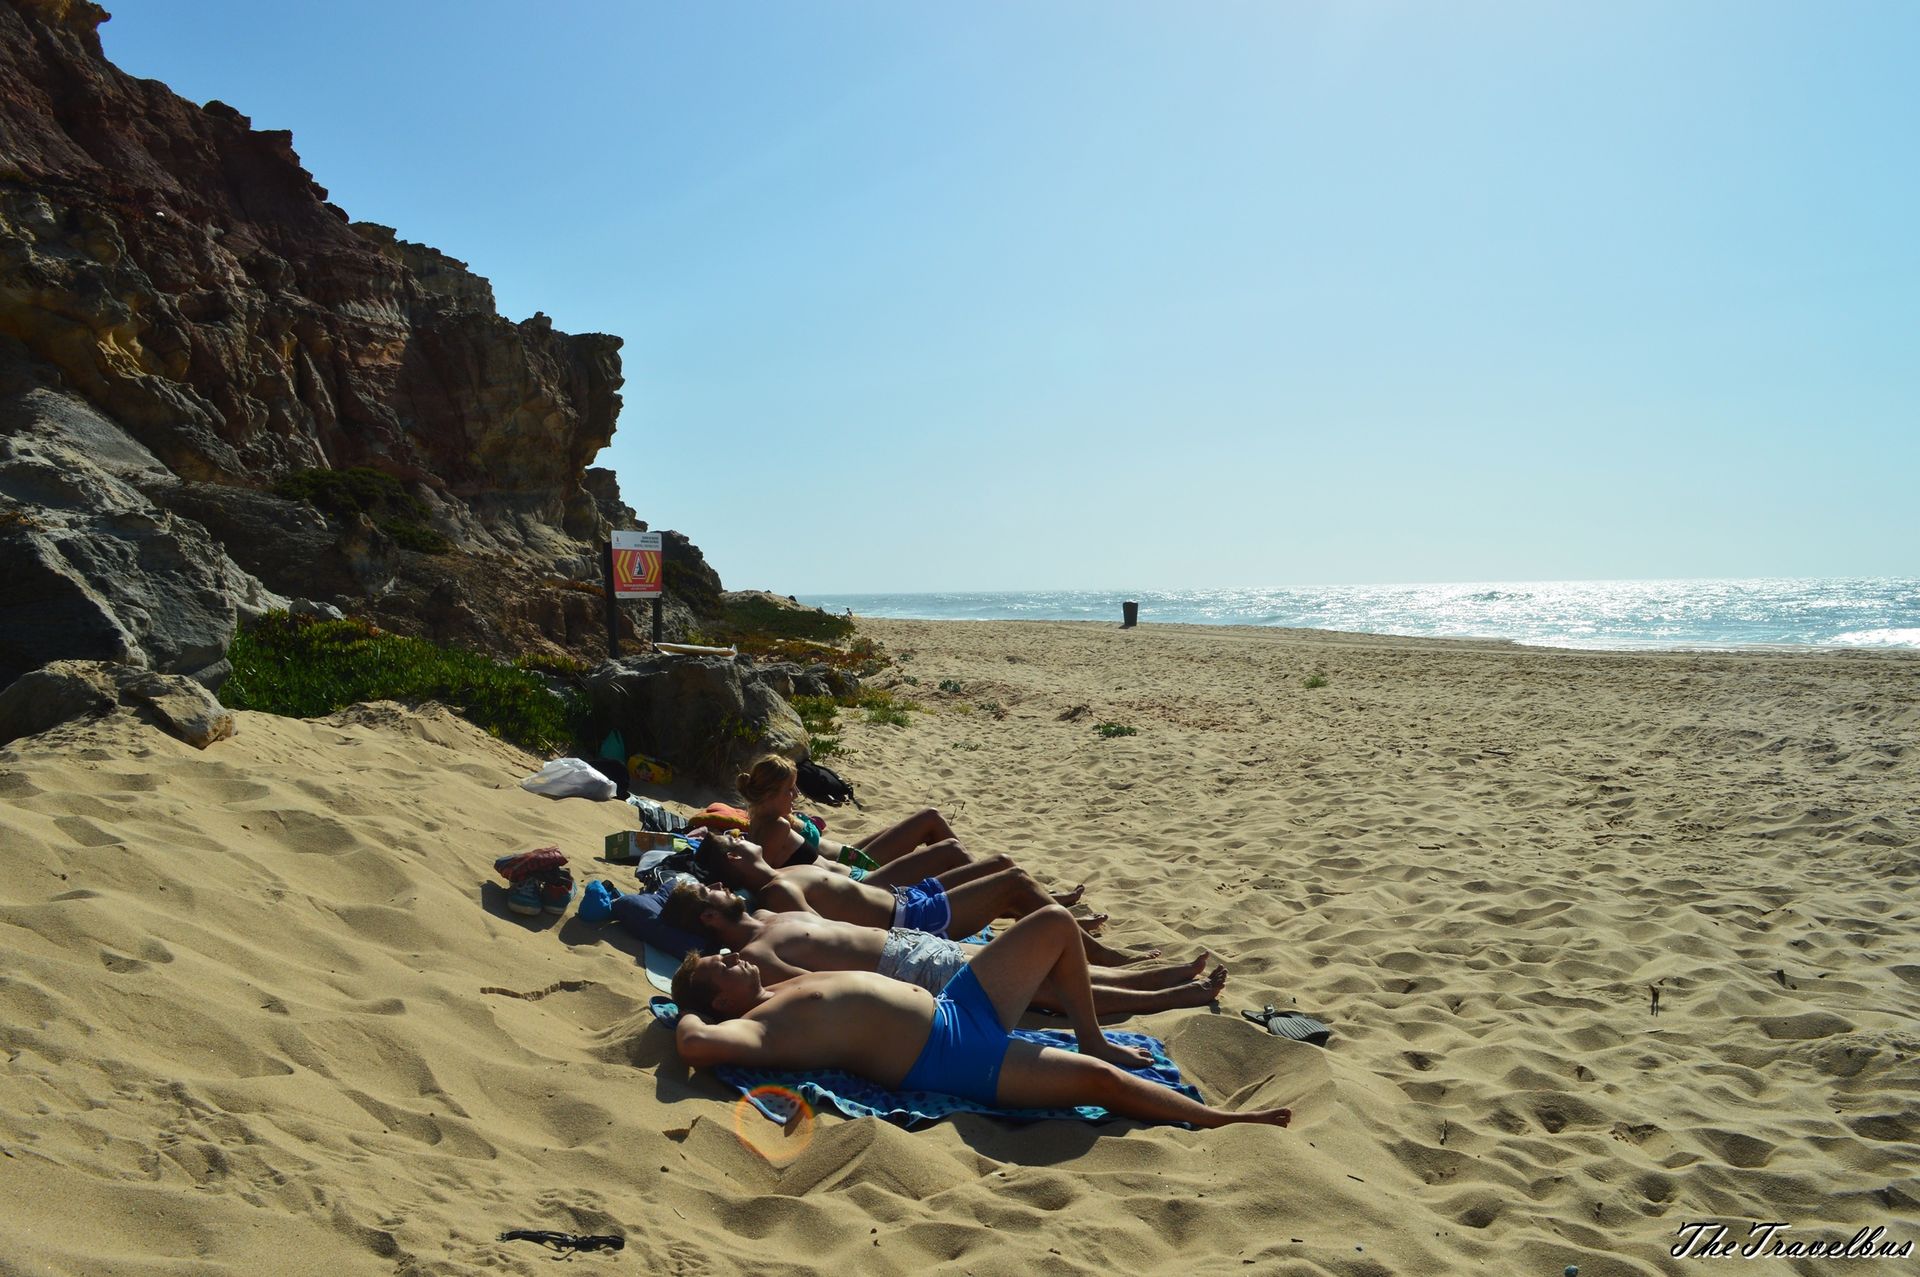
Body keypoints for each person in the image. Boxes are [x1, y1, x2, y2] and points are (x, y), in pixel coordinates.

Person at [671, 904, 1291, 1129]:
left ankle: (1093, 1035)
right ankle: (1220, 1119)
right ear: (720, 1001)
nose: (733, 956)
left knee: (1053, 924)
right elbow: (695, 1043)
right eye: (720, 965)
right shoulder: (752, 1027)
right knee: (1097, 1087)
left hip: (957, 1005)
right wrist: (682, 1011)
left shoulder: (779, 987)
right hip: (952, 1057)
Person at [659, 879, 1226, 1015]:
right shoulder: (754, 957)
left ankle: (1165, 981)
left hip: (910, 943)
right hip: (909, 968)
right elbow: (802, 987)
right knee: (1048, 988)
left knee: (1050, 974)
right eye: (714, 893)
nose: (726, 890)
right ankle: (1173, 994)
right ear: (710, 917)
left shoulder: (770, 914)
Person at [694, 832, 1152, 965]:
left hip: (912, 898)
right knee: (1011, 881)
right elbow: (830, 937)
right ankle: (1104, 958)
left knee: (1000, 865)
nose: (742, 834)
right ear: (735, 856)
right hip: (914, 921)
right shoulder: (775, 892)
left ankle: (1054, 920)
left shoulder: (780, 873)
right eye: (732, 837)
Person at [738, 754, 964, 872]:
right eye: (789, 789)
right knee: (930, 819)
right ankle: (975, 873)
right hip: (853, 865)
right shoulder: (775, 826)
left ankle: (970, 872)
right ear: (768, 794)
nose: (797, 793)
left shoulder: (762, 816)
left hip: (852, 852)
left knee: (909, 826)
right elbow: (763, 871)